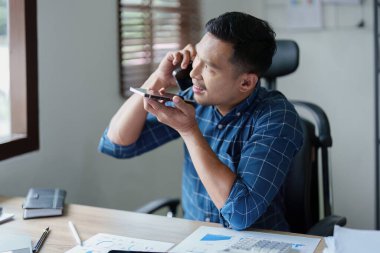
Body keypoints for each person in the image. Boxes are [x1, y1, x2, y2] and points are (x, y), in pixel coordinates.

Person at [98, 12, 303, 231]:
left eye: (209, 67)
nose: (194, 72)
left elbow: (241, 214)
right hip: (194, 238)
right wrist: (158, 76)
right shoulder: (194, 99)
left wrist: (189, 131)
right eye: (197, 58)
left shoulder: (277, 117)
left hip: (255, 243)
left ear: (246, 82)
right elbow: (116, 144)